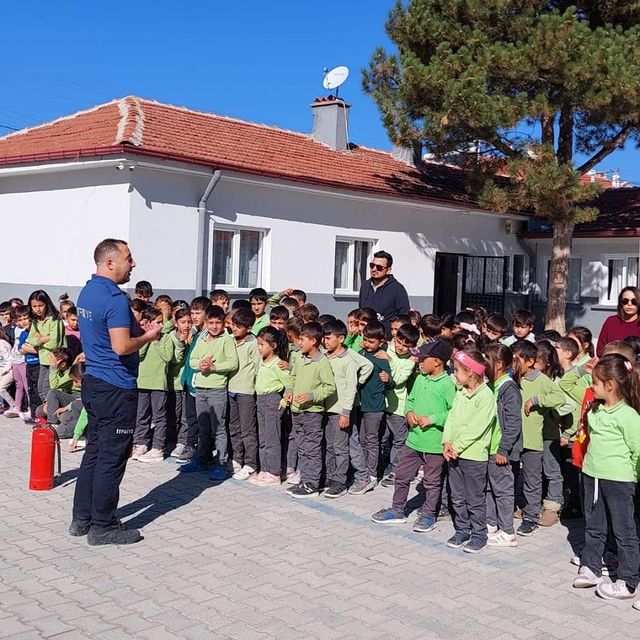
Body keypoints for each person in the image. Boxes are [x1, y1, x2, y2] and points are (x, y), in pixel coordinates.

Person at [70, 238, 162, 546]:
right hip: (115, 387)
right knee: (111, 457)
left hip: (94, 382)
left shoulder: (88, 291)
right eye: (128, 257)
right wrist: (148, 336)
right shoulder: (115, 298)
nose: (133, 263)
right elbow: (121, 346)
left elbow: (102, 333)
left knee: (94, 452)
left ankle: (82, 519)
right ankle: (103, 526)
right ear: (110, 262)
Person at [572, 354, 640, 604]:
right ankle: (591, 566)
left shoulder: (629, 416)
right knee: (594, 525)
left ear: (610, 385)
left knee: (624, 531)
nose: (592, 386)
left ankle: (629, 580)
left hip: (619, 480)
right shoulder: (596, 409)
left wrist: (633, 478)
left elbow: (637, 451)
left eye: (596, 382)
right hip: (593, 475)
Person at [371, 339, 455, 532]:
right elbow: (410, 400)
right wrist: (409, 413)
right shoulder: (420, 379)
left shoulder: (447, 385)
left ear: (437, 362)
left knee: (432, 482)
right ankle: (397, 510)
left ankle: (428, 515)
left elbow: (453, 413)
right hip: (414, 439)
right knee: (401, 475)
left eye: (423, 359)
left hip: (434, 442)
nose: (419, 362)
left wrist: (432, 418)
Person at [511, 340, 566, 537]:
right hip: (516, 437)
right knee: (519, 476)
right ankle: (527, 507)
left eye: (516, 359)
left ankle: (532, 517)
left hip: (536, 438)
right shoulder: (513, 377)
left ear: (530, 361)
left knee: (534, 478)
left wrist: (536, 400)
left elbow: (559, 398)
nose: (512, 363)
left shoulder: (541, 380)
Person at [181, 304, 239, 480]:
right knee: (203, 426)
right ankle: (202, 458)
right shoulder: (201, 338)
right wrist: (201, 365)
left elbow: (232, 363)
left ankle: (221, 463)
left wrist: (214, 367)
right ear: (206, 322)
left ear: (223, 323)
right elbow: (192, 360)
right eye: (211, 322)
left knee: (218, 428)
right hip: (201, 388)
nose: (214, 326)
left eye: (218, 323)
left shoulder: (227, 340)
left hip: (217, 389)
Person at [284, 322, 336, 499]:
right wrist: (289, 392)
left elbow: (330, 388)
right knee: (302, 447)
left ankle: (312, 484)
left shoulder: (322, 363)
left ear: (313, 341)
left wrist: (311, 396)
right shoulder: (299, 357)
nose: (299, 343)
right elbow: (292, 377)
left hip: (312, 412)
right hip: (296, 411)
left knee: (312, 448)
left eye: (302, 339)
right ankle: (305, 480)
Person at [323, 320, 373, 499]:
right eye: (324, 338)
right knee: (340, 444)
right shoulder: (327, 356)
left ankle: (342, 481)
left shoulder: (349, 359)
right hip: (329, 408)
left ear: (341, 339)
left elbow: (352, 386)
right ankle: (340, 476)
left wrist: (346, 411)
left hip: (341, 410)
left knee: (341, 447)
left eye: (329, 338)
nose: (325, 342)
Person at [349, 320, 393, 495]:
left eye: (371, 341)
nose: (367, 344)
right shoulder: (360, 353)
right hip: (360, 403)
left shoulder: (382, 358)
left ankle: (372, 475)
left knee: (372, 440)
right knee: (361, 438)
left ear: (381, 342)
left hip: (374, 406)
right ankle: (363, 471)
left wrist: (388, 380)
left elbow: (391, 383)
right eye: (365, 339)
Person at [484, 343, 522, 548]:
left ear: (498, 364)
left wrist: (504, 449)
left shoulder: (508, 388)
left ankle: (507, 531)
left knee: (503, 490)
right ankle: (491, 523)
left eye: (486, 360)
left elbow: (513, 422)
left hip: (500, 451)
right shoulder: (492, 385)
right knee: (489, 488)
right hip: (489, 449)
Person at [250, 326, 290, 487]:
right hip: (260, 400)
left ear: (273, 346)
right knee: (263, 437)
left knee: (272, 438)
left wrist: (284, 401)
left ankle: (274, 472)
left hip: (272, 401)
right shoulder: (262, 361)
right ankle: (264, 469)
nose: (259, 348)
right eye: (258, 344)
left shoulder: (278, 363)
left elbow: (289, 383)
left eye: (262, 344)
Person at [228, 307, 261, 481]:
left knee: (248, 430)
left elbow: (257, 369)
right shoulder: (230, 340)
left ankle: (251, 464)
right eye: (233, 325)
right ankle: (236, 459)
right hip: (231, 390)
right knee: (234, 428)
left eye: (239, 326)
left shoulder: (253, 344)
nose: (234, 329)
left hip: (246, 392)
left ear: (248, 328)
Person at [358, 251, 410, 338]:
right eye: (372, 265)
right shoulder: (365, 286)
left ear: (388, 270)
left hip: (386, 340)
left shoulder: (397, 289)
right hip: (365, 339)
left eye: (379, 267)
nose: (374, 269)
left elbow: (403, 318)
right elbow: (361, 312)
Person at [26, 290, 66, 402]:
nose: (37, 309)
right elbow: (30, 340)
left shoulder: (54, 319)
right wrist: (44, 338)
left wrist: (39, 340)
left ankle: (51, 412)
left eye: (40, 305)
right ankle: (48, 411)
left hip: (55, 358)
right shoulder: (35, 321)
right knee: (40, 388)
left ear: (46, 304)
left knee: (47, 388)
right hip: (43, 358)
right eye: (34, 306)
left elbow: (54, 343)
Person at [596, 287, 640, 357]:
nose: (629, 304)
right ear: (620, 303)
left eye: (634, 301)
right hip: (613, 364)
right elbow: (600, 350)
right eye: (625, 301)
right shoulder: (611, 321)